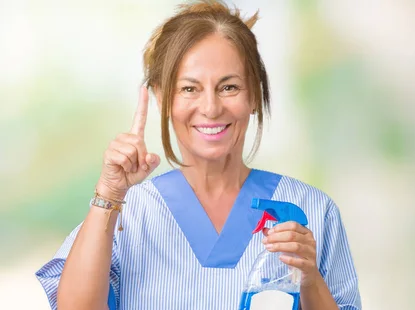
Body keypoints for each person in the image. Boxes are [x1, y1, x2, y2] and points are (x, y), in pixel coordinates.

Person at [35, 1, 361, 309]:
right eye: (189, 88)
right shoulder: (128, 214)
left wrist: (310, 278)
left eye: (229, 87)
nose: (210, 108)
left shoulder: (312, 211)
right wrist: (109, 193)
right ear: (162, 98)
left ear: (254, 95)